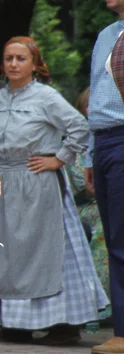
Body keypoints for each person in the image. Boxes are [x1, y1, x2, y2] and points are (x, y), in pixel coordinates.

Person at [0, 38, 108, 344]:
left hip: (39, 183)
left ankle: (62, 324)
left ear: (35, 64)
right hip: (7, 183)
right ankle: (14, 323)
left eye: (21, 58)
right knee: (8, 254)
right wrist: (1, 164)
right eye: (8, 58)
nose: (13, 64)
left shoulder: (46, 97)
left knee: (44, 253)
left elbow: (79, 126)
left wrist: (58, 159)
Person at [86, 0, 124, 354]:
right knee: (115, 237)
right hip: (106, 142)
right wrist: (89, 154)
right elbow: (95, 100)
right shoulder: (105, 35)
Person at [69, 87, 111, 313]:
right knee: (104, 223)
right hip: (84, 206)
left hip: (111, 201)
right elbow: (82, 185)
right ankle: (98, 301)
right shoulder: (77, 142)